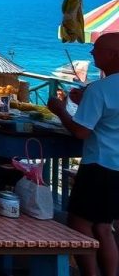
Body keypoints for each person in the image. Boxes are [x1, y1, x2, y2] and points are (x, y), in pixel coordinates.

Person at [47, 32, 119, 276]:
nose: (92, 53)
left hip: (98, 165)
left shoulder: (100, 89)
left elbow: (80, 132)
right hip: (116, 166)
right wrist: (84, 102)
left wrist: (60, 111)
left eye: (96, 49)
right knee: (103, 226)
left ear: (112, 55)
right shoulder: (101, 90)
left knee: (78, 224)